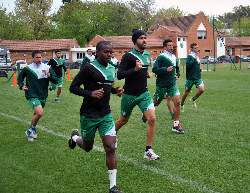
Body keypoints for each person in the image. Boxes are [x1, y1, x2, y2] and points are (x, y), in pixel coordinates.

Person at [68, 41, 124, 193]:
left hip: (105, 114)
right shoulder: (88, 68)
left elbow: (107, 87)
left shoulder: (112, 67)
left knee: (111, 147)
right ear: (97, 52)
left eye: (110, 52)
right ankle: (74, 138)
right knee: (87, 147)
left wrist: (115, 90)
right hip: (89, 114)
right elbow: (73, 87)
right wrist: (90, 93)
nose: (109, 55)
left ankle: (113, 186)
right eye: (106, 52)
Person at [115, 29, 160, 161]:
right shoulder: (128, 56)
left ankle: (148, 150)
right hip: (129, 95)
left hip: (144, 93)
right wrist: (134, 70)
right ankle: (113, 134)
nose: (144, 40)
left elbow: (143, 70)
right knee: (123, 120)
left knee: (152, 119)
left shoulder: (146, 55)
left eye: (145, 38)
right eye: (141, 38)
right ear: (135, 41)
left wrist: (145, 73)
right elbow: (120, 74)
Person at [17, 50, 58, 142]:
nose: (39, 59)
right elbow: (20, 77)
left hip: (43, 95)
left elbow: (55, 80)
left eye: (40, 57)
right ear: (33, 58)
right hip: (31, 94)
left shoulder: (47, 67)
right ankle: (30, 130)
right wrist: (22, 86)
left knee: (36, 114)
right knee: (39, 113)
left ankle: (31, 130)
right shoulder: (28, 68)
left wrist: (48, 75)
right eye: (37, 57)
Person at [152, 39, 184, 134]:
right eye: (169, 45)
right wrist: (165, 69)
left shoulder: (174, 57)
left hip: (172, 84)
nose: (171, 47)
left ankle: (176, 125)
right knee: (156, 102)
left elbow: (177, 68)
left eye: (172, 45)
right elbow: (154, 69)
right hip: (162, 84)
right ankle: (147, 111)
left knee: (177, 102)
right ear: (165, 47)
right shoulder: (161, 57)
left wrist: (177, 74)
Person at [181, 43, 205, 111]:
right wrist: (194, 58)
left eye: (197, 48)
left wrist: (200, 68)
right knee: (186, 93)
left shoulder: (196, 56)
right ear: (191, 49)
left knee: (202, 90)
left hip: (197, 77)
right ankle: (182, 104)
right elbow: (188, 66)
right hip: (190, 78)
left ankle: (193, 99)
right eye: (195, 48)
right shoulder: (190, 56)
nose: (197, 49)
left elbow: (198, 64)